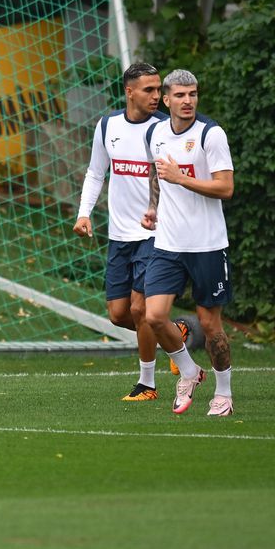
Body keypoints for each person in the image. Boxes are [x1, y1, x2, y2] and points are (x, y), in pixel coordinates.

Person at [74, 62, 189, 401]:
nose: (157, 96)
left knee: (141, 310)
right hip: (119, 235)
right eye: (149, 90)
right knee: (119, 314)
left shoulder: (167, 129)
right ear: (129, 92)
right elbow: (96, 173)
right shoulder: (107, 125)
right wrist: (84, 214)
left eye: (159, 89)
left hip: (157, 234)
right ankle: (172, 331)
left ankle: (147, 384)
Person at [140, 69, 236, 417]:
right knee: (154, 316)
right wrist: (153, 207)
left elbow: (226, 187)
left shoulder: (211, 135)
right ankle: (190, 370)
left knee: (210, 326)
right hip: (168, 243)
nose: (188, 101)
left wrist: (182, 179)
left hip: (208, 245)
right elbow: (157, 171)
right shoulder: (156, 132)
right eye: (180, 95)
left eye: (193, 94)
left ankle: (223, 393)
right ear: (166, 100)